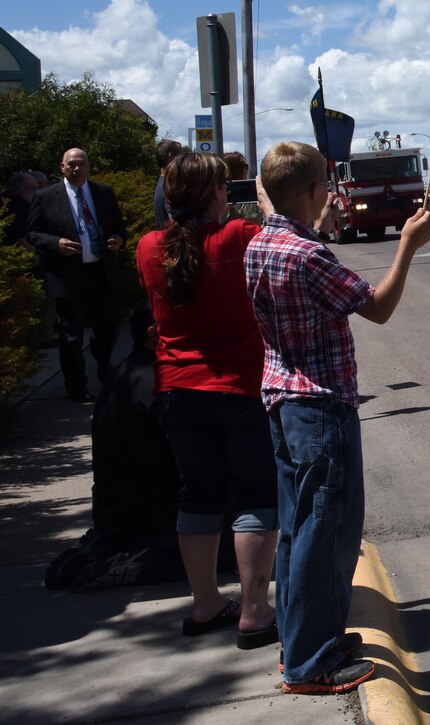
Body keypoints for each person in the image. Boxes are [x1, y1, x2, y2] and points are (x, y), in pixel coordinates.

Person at [245, 141, 430, 695]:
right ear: (309, 192)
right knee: (323, 533)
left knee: (296, 528)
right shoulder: (307, 256)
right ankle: (309, 662)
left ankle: (304, 639)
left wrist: (306, 214)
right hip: (319, 408)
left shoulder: (262, 243)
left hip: (281, 400)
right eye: (324, 184)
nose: (329, 192)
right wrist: (407, 245)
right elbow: (378, 306)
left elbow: (275, 208)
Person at [136, 152, 279, 650]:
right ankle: (256, 610)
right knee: (257, 494)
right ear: (215, 193)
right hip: (237, 387)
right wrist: (264, 201)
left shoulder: (149, 246)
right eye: (224, 185)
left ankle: (205, 603)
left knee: (197, 494)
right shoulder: (239, 236)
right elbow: (280, 257)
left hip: (176, 388)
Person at [44, 301, 186, 592]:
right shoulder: (160, 382)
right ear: (154, 333)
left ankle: (105, 550)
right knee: (226, 542)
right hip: (152, 521)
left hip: (116, 514)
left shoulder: (125, 371)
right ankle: (138, 563)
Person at [26, 148, 127, 403]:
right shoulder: (46, 197)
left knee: (107, 330)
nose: (76, 168)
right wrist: (55, 242)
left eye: (81, 164)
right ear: (62, 167)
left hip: (100, 272)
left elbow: (118, 226)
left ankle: (105, 371)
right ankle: (76, 385)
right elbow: (33, 233)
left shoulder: (103, 193)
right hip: (67, 275)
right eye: (71, 164)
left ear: (88, 167)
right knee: (71, 336)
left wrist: (119, 239)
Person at [222, 151, 263, 225]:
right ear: (237, 169)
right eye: (246, 166)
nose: (247, 170)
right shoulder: (247, 195)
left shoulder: (218, 193)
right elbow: (253, 224)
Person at [3, 172, 37, 251]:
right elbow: (17, 236)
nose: (36, 191)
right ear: (21, 188)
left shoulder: (9, 202)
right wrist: (33, 253)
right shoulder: (19, 208)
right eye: (32, 188)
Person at [154, 140, 183, 230]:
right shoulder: (170, 186)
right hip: (174, 242)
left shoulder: (162, 182)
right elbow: (175, 222)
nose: (184, 160)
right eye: (181, 156)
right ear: (171, 157)